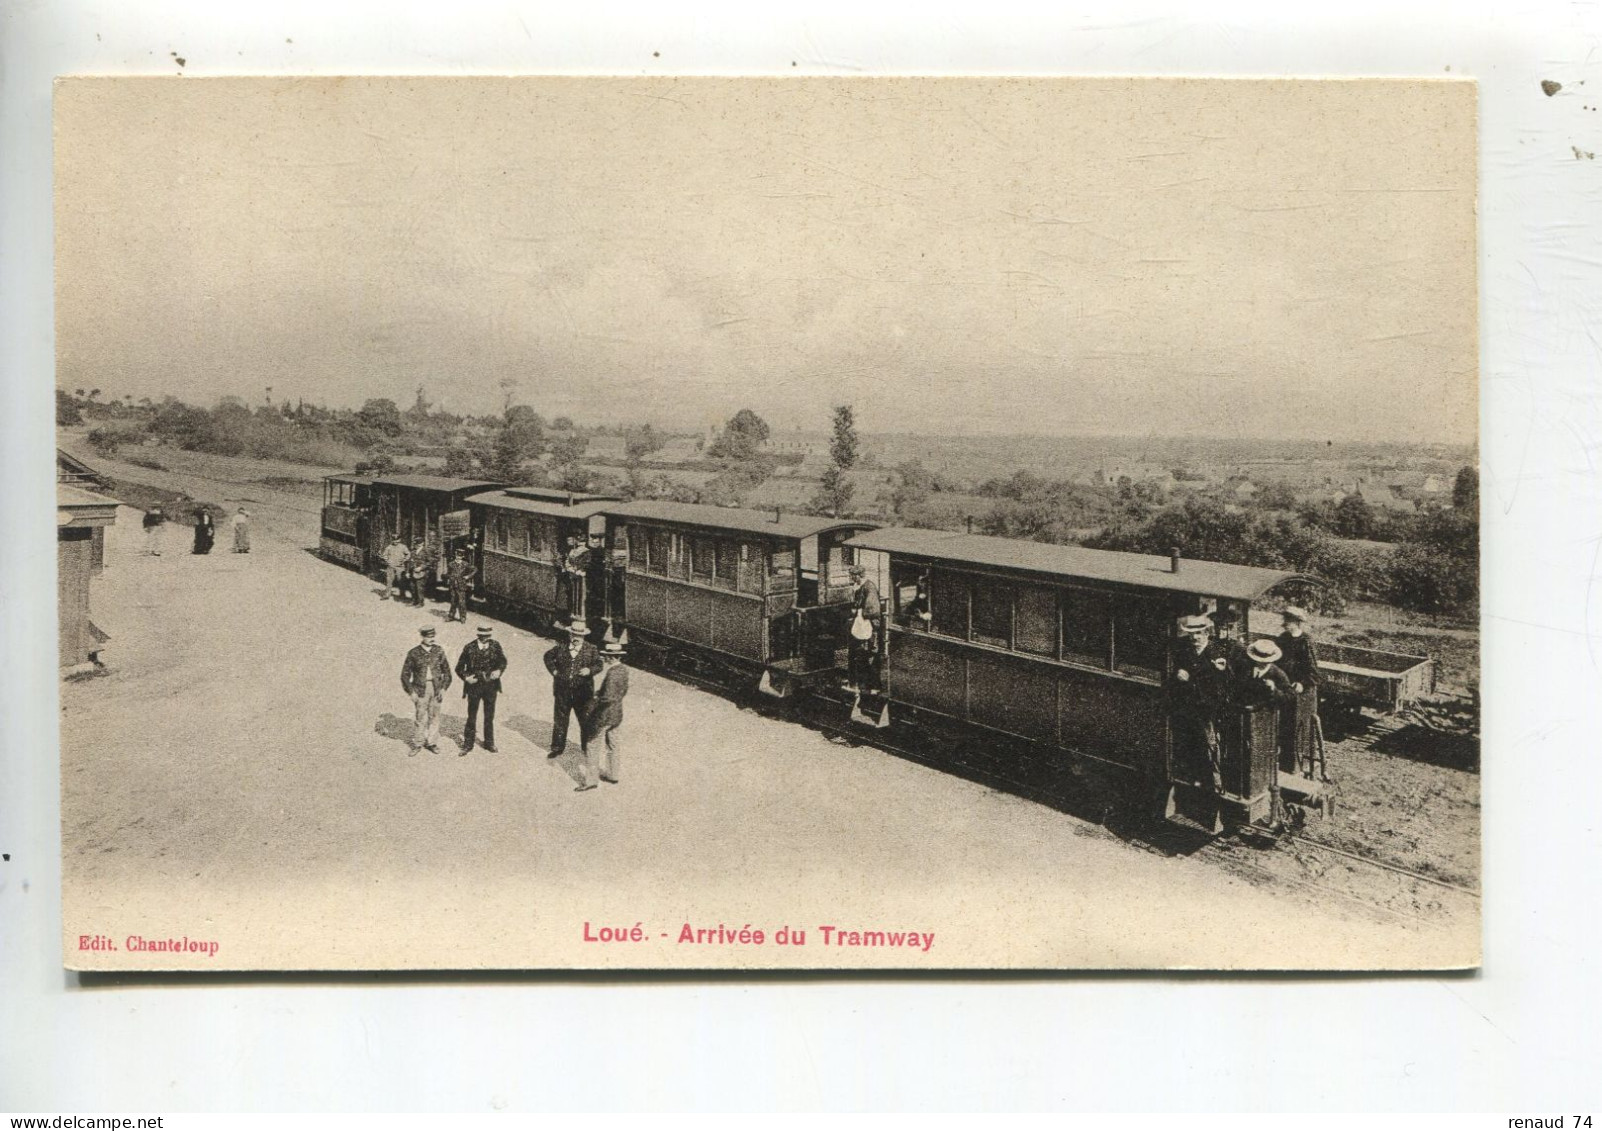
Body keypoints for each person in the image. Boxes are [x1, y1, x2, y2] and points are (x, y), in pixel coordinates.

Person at [1168, 614, 1236, 794]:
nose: (1195, 638)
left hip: (1209, 710)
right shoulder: (1187, 652)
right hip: (1190, 706)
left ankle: (1217, 784)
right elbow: (1178, 668)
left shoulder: (1215, 652)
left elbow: (1227, 680)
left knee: (1211, 745)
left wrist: (1223, 670)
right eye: (1192, 634)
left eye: (1199, 633)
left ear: (1207, 633)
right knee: (1192, 742)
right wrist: (1179, 672)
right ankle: (1195, 778)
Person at [1275, 606, 1324, 775]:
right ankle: (1281, 763)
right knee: (1281, 727)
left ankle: (1294, 765)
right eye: (1285, 620)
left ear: (1297, 623)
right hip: (1284, 689)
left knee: (1296, 728)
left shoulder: (1306, 641)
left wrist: (1302, 683)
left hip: (1300, 695)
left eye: (1289, 621)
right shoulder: (1282, 639)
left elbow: (1314, 673)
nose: (1285, 624)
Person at [543, 617, 599, 762]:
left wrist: (590, 670)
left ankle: (587, 748)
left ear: (583, 636)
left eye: (579, 636)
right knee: (560, 719)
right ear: (569, 635)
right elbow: (547, 657)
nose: (576, 638)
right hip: (562, 691)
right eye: (574, 635)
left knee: (585, 719)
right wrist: (554, 671)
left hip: (583, 693)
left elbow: (599, 664)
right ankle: (557, 748)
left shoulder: (591, 649)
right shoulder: (561, 647)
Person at [579, 633, 630, 790]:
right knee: (613, 744)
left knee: (592, 745)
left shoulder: (612, 673)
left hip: (604, 715)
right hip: (617, 714)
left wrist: (594, 703)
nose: (605, 659)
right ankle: (613, 775)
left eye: (606, 656)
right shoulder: (624, 670)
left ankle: (591, 781)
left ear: (611, 658)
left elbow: (607, 697)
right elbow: (622, 691)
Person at [455, 624, 507, 755]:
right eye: (483, 636)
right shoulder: (469, 648)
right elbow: (459, 668)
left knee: (489, 716)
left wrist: (499, 671)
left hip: (491, 686)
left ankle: (489, 743)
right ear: (478, 635)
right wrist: (466, 678)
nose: (485, 639)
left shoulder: (495, 646)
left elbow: (503, 661)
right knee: (472, 716)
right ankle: (468, 744)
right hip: (474, 686)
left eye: (488, 636)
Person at [400, 625, 452, 754]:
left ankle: (432, 743)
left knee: (434, 716)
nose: (432, 639)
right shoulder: (413, 653)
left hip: (437, 689)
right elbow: (405, 675)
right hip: (420, 689)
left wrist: (443, 689)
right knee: (420, 717)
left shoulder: (439, 651)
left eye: (433, 636)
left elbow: (448, 673)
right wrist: (411, 692)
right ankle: (418, 743)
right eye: (429, 637)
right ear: (422, 637)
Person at [845, 564, 882, 693]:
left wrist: (858, 611)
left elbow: (872, 609)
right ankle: (861, 684)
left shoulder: (869, 587)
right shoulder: (861, 587)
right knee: (859, 654)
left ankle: (870, 686)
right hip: (862, 624)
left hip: (869, 626)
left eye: (852, 576)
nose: (851, 578)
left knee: (867, 655)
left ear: (858, 576)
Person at [446, 549, 473, 623]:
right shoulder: (451, 564)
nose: (458, 557)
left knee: (462, 602)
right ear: (455, 555)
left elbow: (475, 570)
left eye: (460, 556)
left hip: (461, 585)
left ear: (463, 556)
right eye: (457, 555)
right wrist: (450, 578)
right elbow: (448, 573)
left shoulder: (465, 564)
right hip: (453, 585)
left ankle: (463, 617)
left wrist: (468, 576)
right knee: (453, 601)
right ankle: (451, 616)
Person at [382, 536, 410, 601]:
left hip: (400, 567)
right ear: (392, 540)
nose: (395, 542)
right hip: (391, 566)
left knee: (401, 581)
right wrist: (387, 560)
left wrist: (404, 560)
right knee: (389, 581)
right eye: (394, 540)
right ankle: (387, 595)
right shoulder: (389, 547)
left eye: (397, 540)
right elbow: (384, 555)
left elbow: (408, 554)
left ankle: (402, 595)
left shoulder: (403, 547)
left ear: (399, 539)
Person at [407, 538, 431, 607]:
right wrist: (407, 572)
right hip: (413, 572)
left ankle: (420, 602)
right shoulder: (413, 551)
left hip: (421, 573)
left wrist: (421, 567)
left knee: (419, 588)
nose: (417, 545)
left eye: (419, 543)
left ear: (422, 543)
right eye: (416, 543)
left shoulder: (426, 551)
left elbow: (429, 562)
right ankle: (414, 601)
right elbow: (409, 562)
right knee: (412, 587)